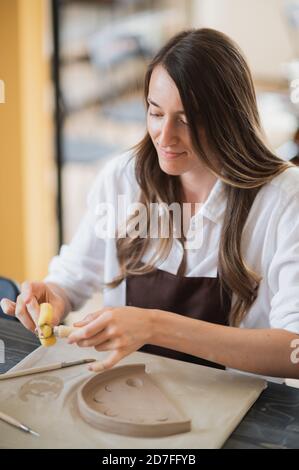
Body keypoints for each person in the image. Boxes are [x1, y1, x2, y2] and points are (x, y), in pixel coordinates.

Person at [2, 28, 299, 379]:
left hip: (239, 414)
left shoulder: (283, 199)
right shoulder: (121, 179)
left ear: (229, 118)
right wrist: (50, 298)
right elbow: (72, 278)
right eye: (156, 113)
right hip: (123, 392)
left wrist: (155, 326)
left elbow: (293, 351)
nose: (165, 136)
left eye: (187, 119)